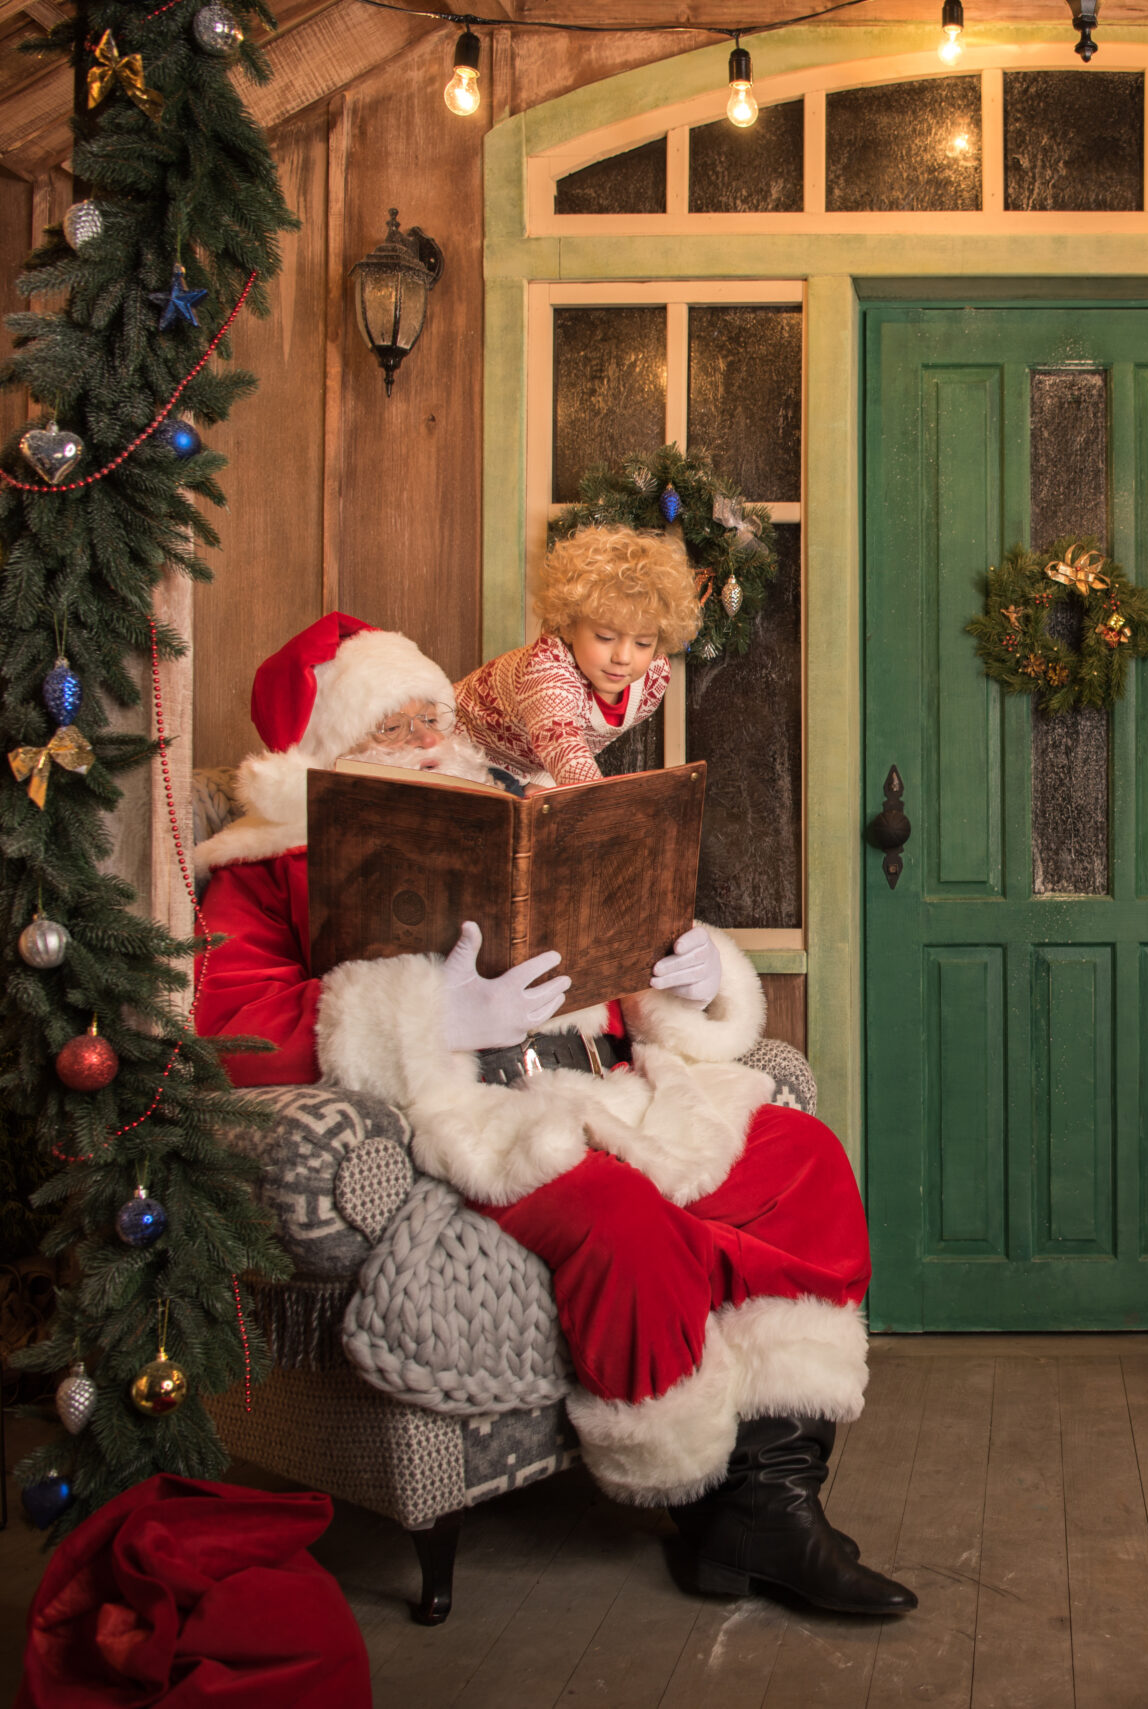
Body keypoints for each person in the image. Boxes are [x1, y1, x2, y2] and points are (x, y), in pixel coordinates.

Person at [194, 613, 914, 1616]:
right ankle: (708, 1501)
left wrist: (687, 971)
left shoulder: (507, 810)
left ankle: (777, 1495)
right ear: (322, 752)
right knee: (624, 1221)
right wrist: (430, 1015)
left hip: (597, 1080)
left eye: (429, 717)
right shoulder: (261, 862)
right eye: (390, 729)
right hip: (462, 1121)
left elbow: (598, 961)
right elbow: (224, 1023)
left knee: (798, 1154)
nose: (425, 741)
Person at [452, 523, 685, 787]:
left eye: (643, 643)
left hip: (529, 762)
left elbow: (582, 738)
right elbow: (565, 750)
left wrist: (542, 778)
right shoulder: (548, 673)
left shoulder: (654, 678)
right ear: (569, 626)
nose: (623, 657)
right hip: (455, 747)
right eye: (605, 637)